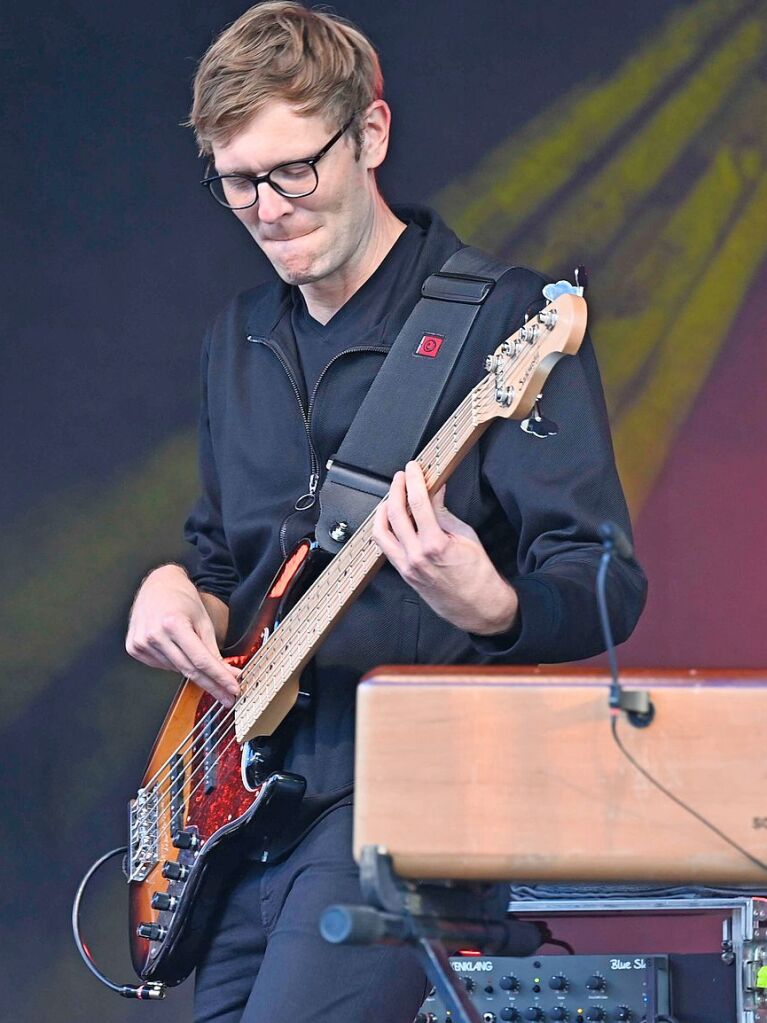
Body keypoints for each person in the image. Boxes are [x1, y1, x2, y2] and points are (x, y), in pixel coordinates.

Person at [125, 3, 647, 1021]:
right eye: (239, 182)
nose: (268, 209)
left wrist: (488, 602)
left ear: (369, 134)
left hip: (409, 802)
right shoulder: (237, 340)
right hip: (249, 814)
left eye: (293, 171)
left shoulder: (497, 325)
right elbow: (222, 561)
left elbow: (603, 580)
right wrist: (173, 588)